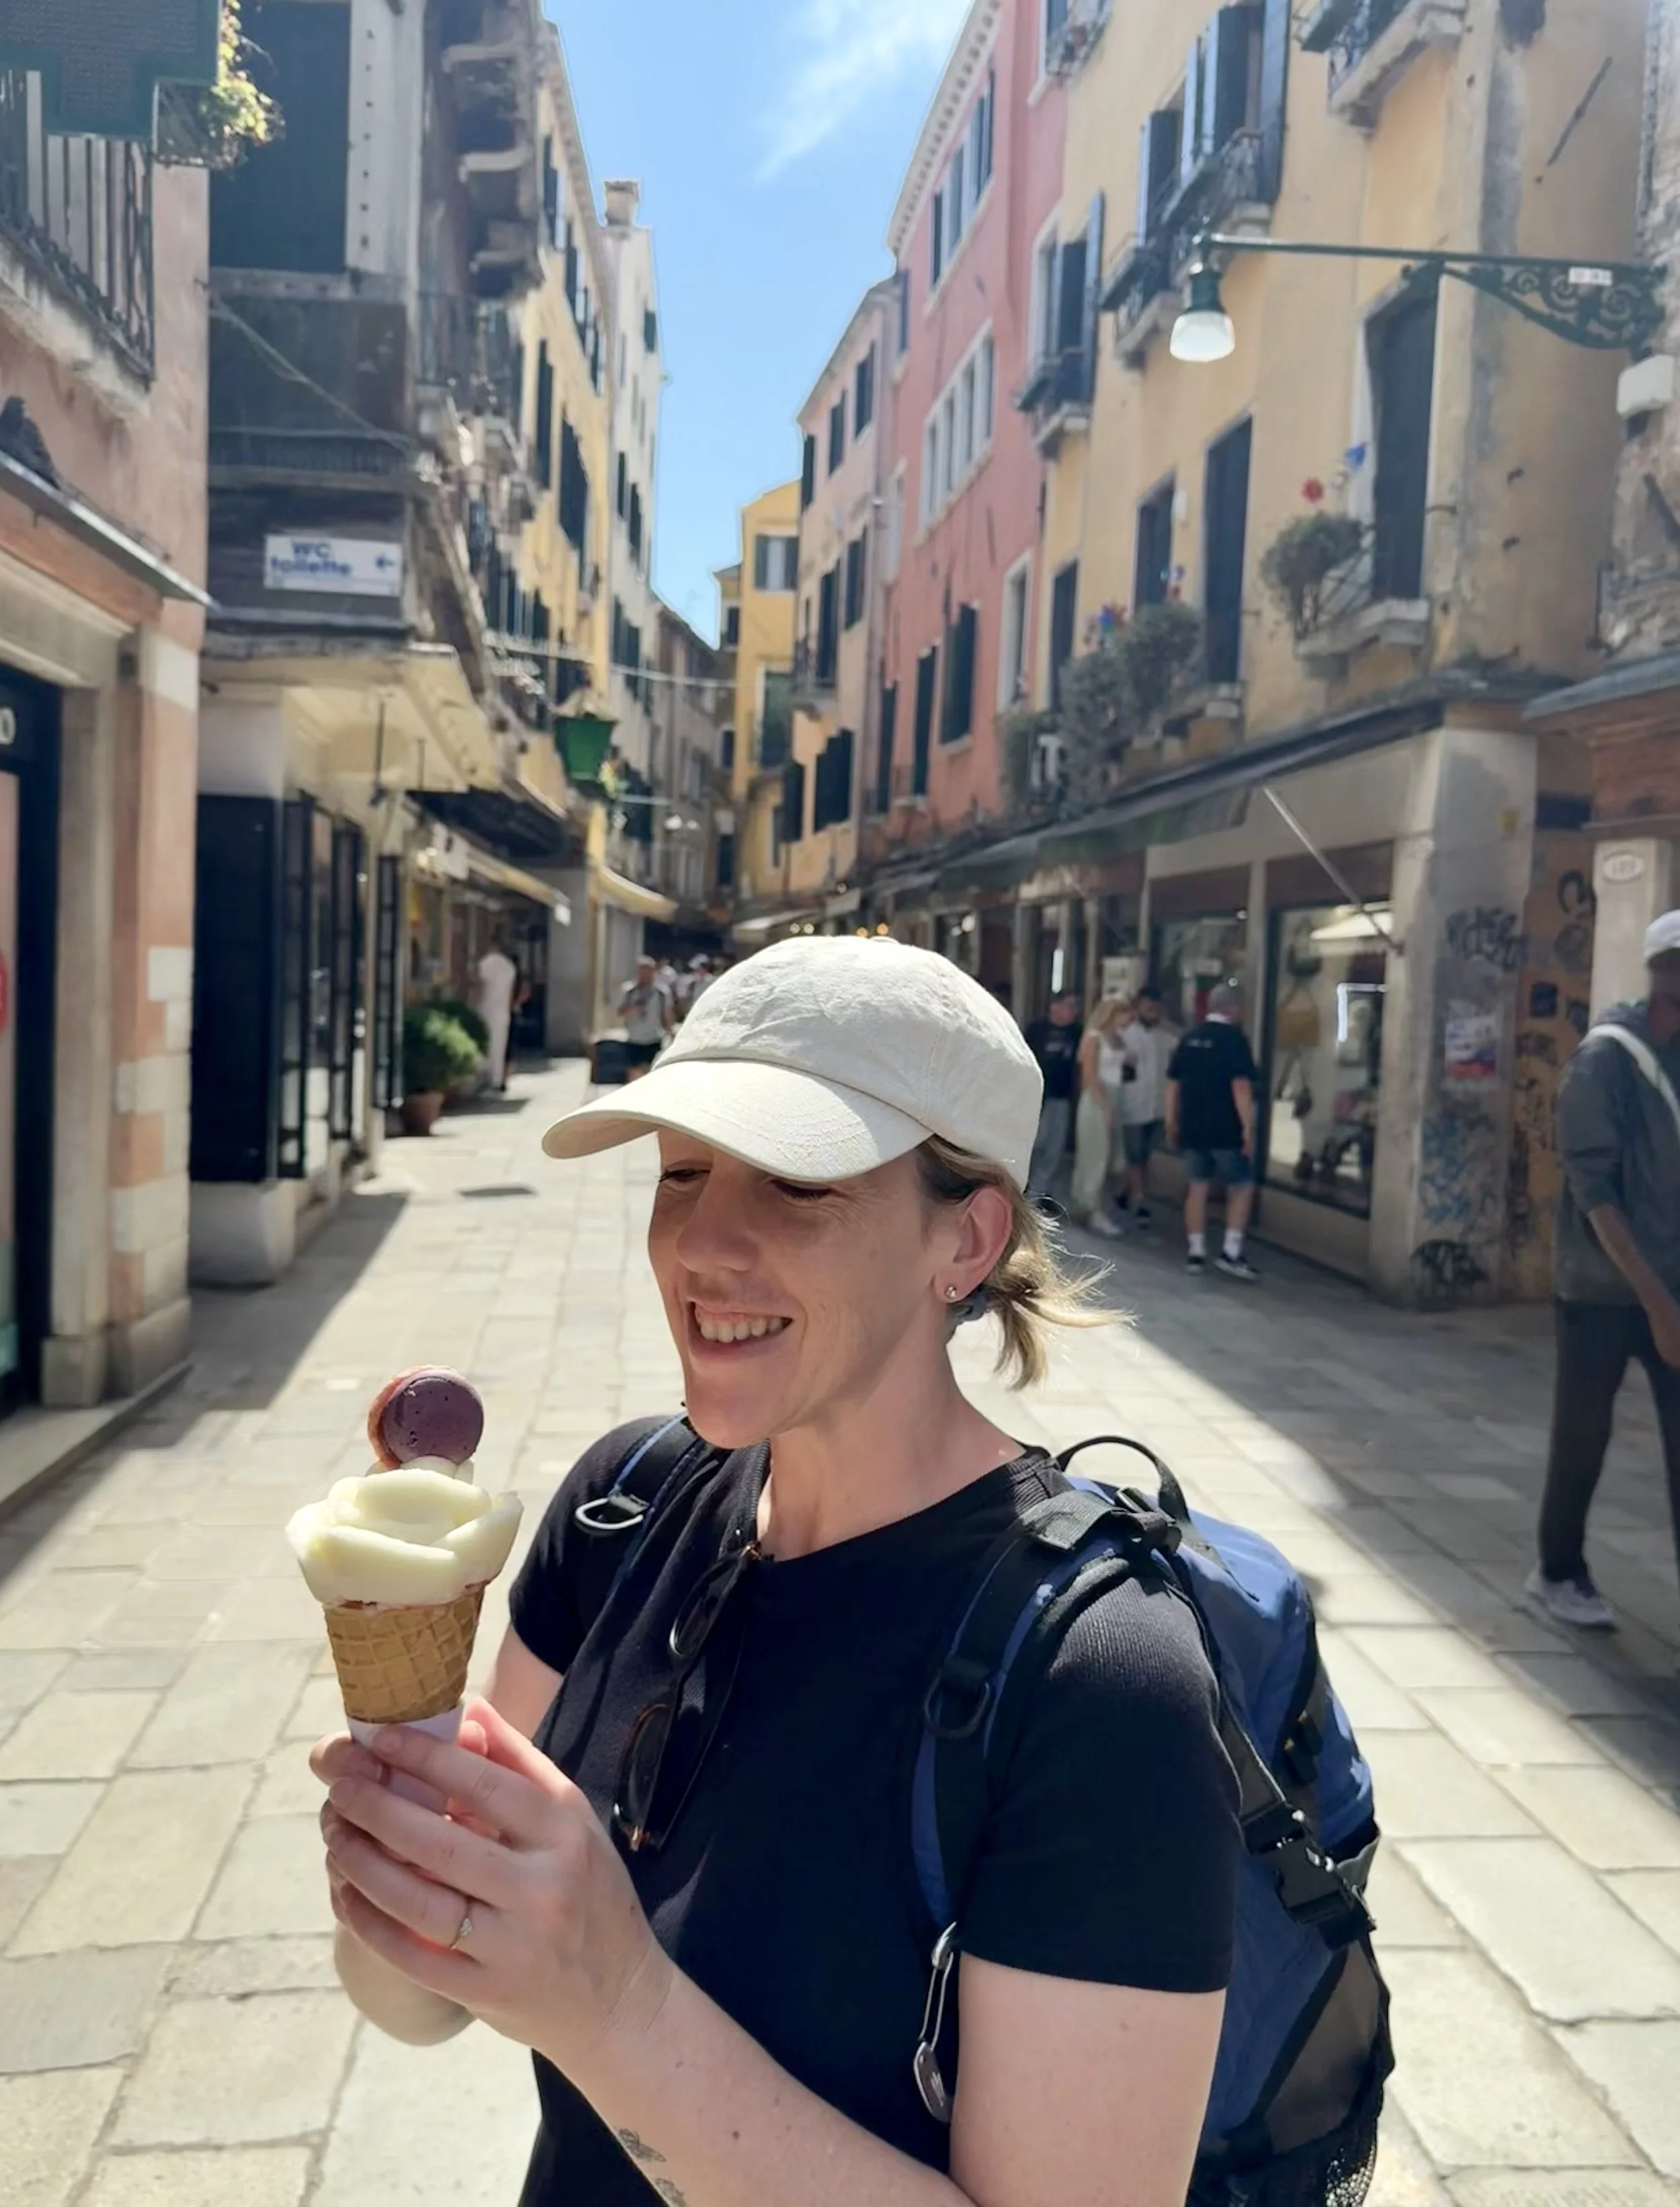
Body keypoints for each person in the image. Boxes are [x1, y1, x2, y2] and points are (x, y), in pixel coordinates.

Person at [310, 937, 1238, 2207]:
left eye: (799, 1185)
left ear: (964, 1240)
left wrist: (620, 2006)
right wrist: (398, 1843)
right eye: (682, 1173)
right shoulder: (620, 1509)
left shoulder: (1100, 1679)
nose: (703, 1245)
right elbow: (416, 1998)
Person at [1532, 910, 1680, 1631]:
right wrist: (1657, 1305)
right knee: (1582, 1435)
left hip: (1671, 1289)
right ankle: (1558, 1570)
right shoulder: (1604, 1059)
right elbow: (1596, 1192)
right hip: (1600, 1290)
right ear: (1664, 977)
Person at [1166, 982, 1260, 1282]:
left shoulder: (1190, 1038)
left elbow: (1173, 1084)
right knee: (1242, 1185)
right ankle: (1231, 1251)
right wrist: (1248, 1128)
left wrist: (1172, 1120)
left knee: (1198, 1186)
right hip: (1226, 1128)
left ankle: (1196, 1250)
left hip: (1193, 1125)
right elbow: (1241, 1086)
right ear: (1233, 1009)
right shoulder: (1235, 1040)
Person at [1070, 996, 1132, 1235]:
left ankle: (1090, 1204)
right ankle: (1090, 1206)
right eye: (1123, 1014)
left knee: (1109, 1156)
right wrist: (1106, 1108)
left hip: (1115, 1096)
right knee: (1096, 1154)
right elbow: (1090, 1078)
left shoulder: (1118, 1040)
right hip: (1098, 1100)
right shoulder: (1094, 1038)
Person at [1023, 989, 1081, 1206]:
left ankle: (1038, 1195)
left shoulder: (1076, 1032)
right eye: (1069, 1006)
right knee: (1036, 1144)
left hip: (1062, 1096)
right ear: (1054, 1007)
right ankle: (1024, 1186)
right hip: (1037, 1096)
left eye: (1076, 1007)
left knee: (1054, 1148)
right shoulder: (1036, 1030)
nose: (1073, 1011)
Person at [1116, 987, 1168, 1230]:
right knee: (1135, 1157)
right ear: (1138, 1008)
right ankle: (1139, 1202)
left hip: (1157, 1109)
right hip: (1132, 1108)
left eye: (1156, 1009)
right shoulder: (1125, 1035)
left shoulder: (1165, 1038)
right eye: (1148, 1008)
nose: (1152, 1012)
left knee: (1144, 1157)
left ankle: (1127, 1193)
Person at [474, 937, 519, 1093]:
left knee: (485, 1045)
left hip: (485, 1008)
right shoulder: (509, 967)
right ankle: (497, 1079)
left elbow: (479, 987)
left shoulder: (485, 964)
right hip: (503, 1011)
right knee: (499, 1046)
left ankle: (485, 1078)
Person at [617, 955, 673, 1081]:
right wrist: (634, 1010)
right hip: (634, 1039)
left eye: (648, 971)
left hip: (654, 1038)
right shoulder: (628, 991)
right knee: (633, 1075)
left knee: (652, 1076)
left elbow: (667, 1014)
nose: (645, 974)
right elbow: (620, 1013)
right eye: (642, 971)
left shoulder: (662, 992)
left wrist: (670, 1034)